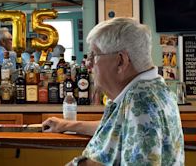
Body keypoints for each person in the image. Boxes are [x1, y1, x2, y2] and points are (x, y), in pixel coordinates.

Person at [42, 17, 184, 165]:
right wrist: (67, 125)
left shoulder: (141, 103)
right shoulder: (153, 87)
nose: (88, 63)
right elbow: (124, 129)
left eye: (94, 55)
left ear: (120, 61)